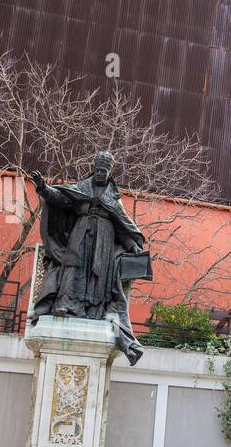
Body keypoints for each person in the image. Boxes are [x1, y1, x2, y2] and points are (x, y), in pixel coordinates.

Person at [28, 151, 149, 365]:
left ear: (109, 172)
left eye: (105, 170)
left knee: (98, 275)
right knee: (72, 267)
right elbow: (60, 199)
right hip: (80, 234)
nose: (101, 173)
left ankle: (92, 310)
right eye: (99, 169)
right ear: (95, 168)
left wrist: (133, 246)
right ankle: (65, 305)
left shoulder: (113, 199)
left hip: (103, 240)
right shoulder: (80, 189)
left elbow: (123, 228)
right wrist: (43, 188)